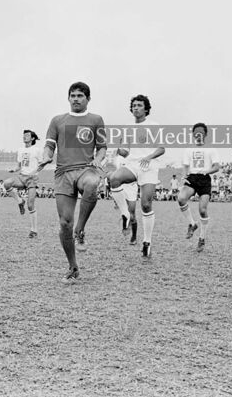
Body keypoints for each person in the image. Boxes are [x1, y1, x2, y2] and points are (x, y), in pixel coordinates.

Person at [36, 82, 107, 283]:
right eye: (73, 95)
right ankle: (73, 266)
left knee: (92, 184)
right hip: (63, 174)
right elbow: (49, 145)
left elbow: (102, 147)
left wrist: (98, 159)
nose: (76, 99)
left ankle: (81, 230)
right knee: (64, 223)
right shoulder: (57, 120)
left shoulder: (96, 120)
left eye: (80, 96)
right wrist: (46, 156)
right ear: (68, 98)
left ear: (88, 99)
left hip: (86, 168)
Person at [108, 94, 165, 259]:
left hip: (149, 166)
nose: (136, 108)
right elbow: (126, 152)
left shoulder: (154, 126)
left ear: (146, 109)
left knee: (146, 205)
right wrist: (119, 149)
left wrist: (148, 157)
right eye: (134, 105)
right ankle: (125, 214)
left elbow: (161, 149)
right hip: (133, 164)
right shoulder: (127, 128)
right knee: (114, 178)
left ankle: (147, 242)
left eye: (139, 105)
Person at [178, 123, 221, 252]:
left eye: (201, 132)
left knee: (202, 210)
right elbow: (185, 166)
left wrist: (207, 171)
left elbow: (217, 166)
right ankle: (192, 223)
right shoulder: (188, 150)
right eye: (196, 132)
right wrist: (183, 176)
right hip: (192, 178)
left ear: (205, 134)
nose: (198, 134)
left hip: (204, 179)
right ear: (193, 134)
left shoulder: (211, 149)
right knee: (181, 198)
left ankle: (202, 238)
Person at [3, 130, 42, 238]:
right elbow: (19, 165)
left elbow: (41, 164)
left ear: (33, 138)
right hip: (21, 176)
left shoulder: (37, 150)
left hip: (32, 179)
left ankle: (34, 230)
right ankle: (20, 201)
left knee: (30, 205)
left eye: (27, 135)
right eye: (23, 135)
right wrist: (14, 169)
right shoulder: (20, 150)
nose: (24, 137)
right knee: (6, 183)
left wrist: (35, 172)